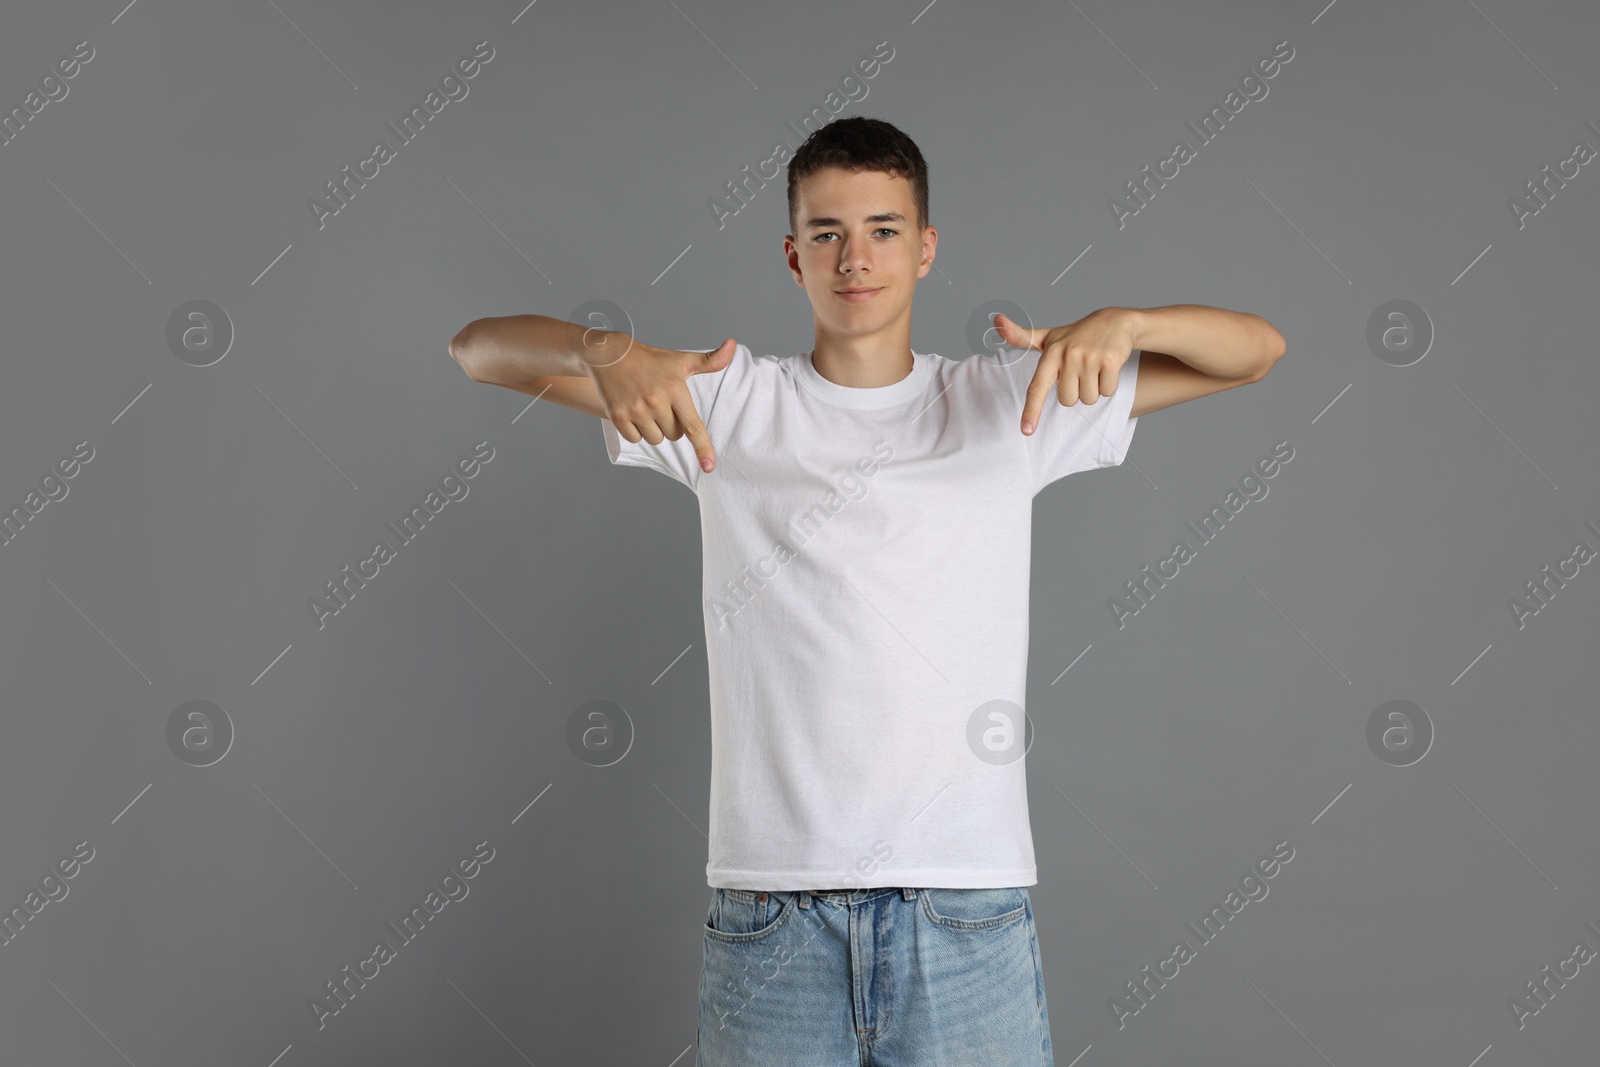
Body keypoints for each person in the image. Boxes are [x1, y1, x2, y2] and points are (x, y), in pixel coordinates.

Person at [449, 116, 1284, 1066]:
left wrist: (1130, 324)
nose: (856, 258)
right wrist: (603, 351)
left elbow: (1256, 351)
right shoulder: (723, 402)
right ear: (792, 254)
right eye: (828, 233)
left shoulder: (1013, 400)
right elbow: (480, 348)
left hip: (965, 911)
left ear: (926, 249)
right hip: (773, 916)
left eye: (884, 230)